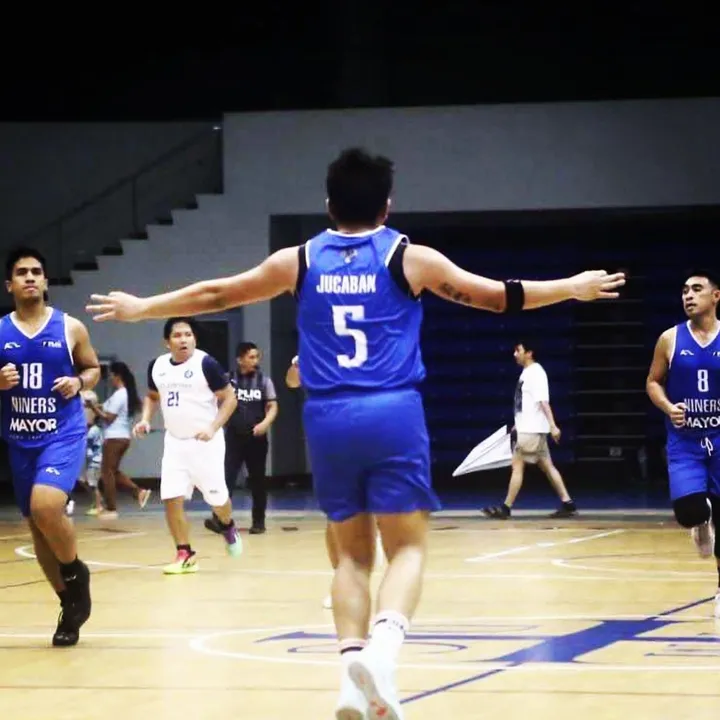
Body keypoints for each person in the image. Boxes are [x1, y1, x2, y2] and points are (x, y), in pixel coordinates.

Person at [86, 147, 625, 719]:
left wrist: (143, 307)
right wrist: (571, 286)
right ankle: (383, 654)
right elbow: (497, 296)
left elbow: (217, 294)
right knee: (408, 548)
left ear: (328, 205)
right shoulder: (409, 258)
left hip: (328, 417)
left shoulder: (298, 260)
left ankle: (351, 679)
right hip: (391, 411)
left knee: (350, 558)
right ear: (387, 207)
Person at [0, 246, 100, 647]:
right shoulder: (0, 330)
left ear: (45, 281)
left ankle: (75, 573)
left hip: (62, 433)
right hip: (19, 438)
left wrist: (78, 382)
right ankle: (69, 605)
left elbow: (92, 369)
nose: (29, 277)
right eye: (21, 272)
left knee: (46, 507)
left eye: (36, 271)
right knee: (37, 528)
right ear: (9, 285)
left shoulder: (70, 327)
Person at [132, 316, 242, 574]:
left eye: (188, 334)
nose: (183, 340)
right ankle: (185, 553)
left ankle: (227, 525)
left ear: (194, 338)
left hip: (206, 444)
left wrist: (212, 427)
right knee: (171, 497)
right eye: (177, 335)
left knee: (218, 500)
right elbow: (152, 396)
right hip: (175, 443)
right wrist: (145, 419)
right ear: (167, 342)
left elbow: (230, 398)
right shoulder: (157, 366)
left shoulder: (206, 364)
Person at [646, 270, 720, 619]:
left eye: (697, 289)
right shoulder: (670, 339)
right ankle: (700, 522)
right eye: (684, 290)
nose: (688, 295)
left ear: (715, 296)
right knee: (689, 511)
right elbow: (653, 382)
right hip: (685, 441)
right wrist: (667, 407)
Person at [286, 354, 385, 610]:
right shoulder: (317, 350)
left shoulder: (366, 356)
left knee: (368, 505)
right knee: (335, 515)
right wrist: (298, 364)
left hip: (367, 429)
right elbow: (292, 382)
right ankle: (342, 575)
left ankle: (369, 559)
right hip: (329, 435)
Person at [482, 339, 577, 519]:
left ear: (529, 353)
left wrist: (553, 425)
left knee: (517, 466)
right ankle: (568, 503)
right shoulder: (527, 373)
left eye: (518, 350)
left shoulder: (536, 373)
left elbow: (543, 402)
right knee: (547, 466)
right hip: (530, 428)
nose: (515, 354)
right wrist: (518, 423)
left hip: (531, 431)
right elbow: (525, 404)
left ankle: (506, 508)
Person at [205, 341, 277, 535]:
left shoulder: (264, 381)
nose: (255, 361)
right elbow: (214, 401)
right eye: (251, 357)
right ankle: (220, 520)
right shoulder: (228, 379)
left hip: (256, 438)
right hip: (233, 437)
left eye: (257, 357)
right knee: (226, 479)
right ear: (240, 359)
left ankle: (259, 522)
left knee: (257, 481)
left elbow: (272, 406)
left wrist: (265, 423)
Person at [89, 360, 151, 517]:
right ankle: (139, 492)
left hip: (114, 438)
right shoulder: (125, 394)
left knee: (107, 472)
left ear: (118, 376)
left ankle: (111, 508)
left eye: (111, 375)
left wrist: (93, 408)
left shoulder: (120, 394)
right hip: (122, 437)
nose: (110, 378)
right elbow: (105, 407)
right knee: (113, 471)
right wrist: (95, 405)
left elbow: (108, 418)